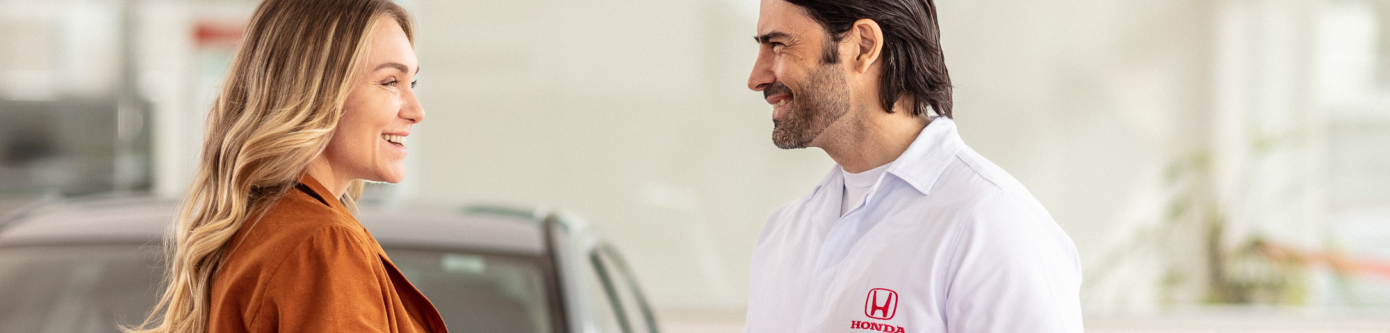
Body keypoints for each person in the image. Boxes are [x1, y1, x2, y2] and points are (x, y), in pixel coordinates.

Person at [743, 0, 1083, 332]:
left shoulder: (991, 224)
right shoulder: (783, 235)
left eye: (778, 45)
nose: (756, 78)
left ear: (863, 46)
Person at [128, 0, 444, 332]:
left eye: (413, 84)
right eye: (390, 81)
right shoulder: (321, 246)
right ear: (319, 90)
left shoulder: (260, 224)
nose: (416, 110)